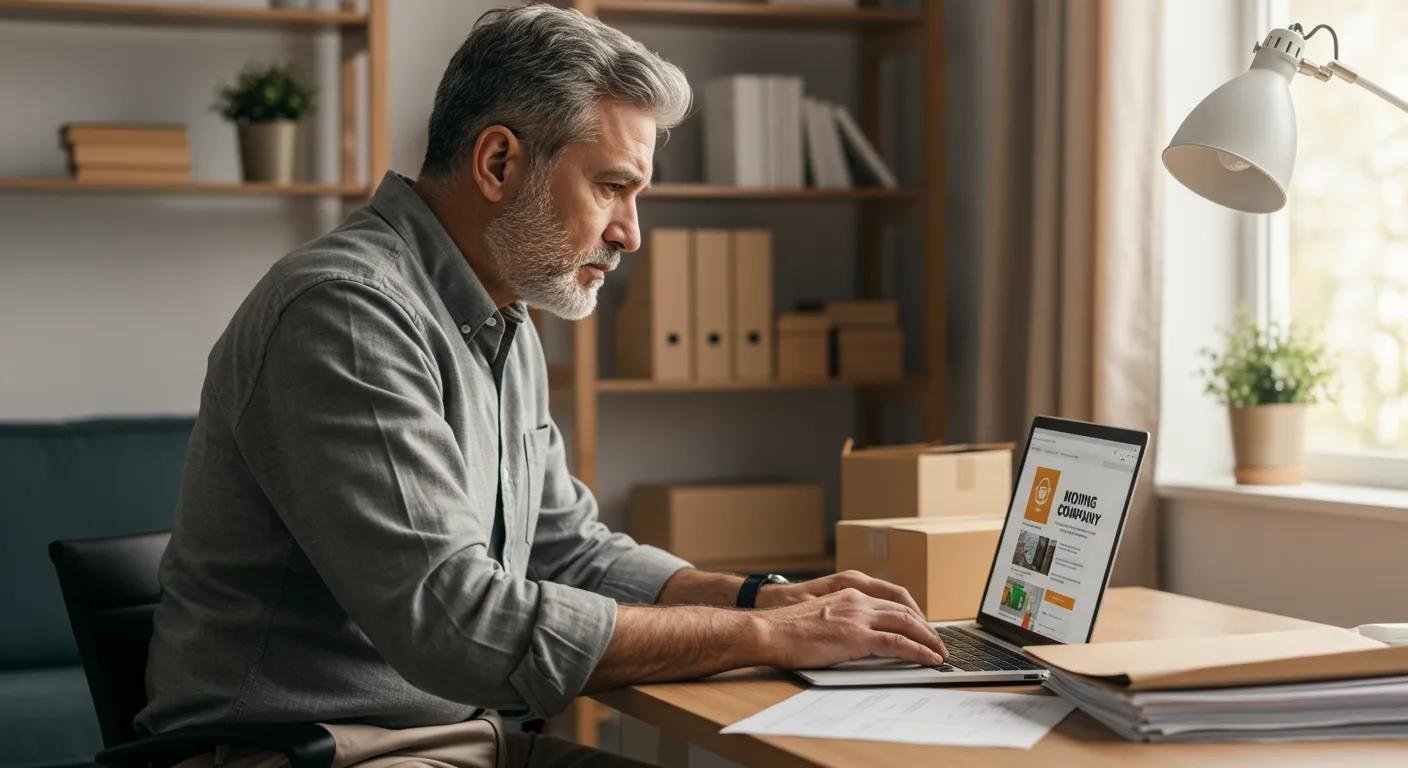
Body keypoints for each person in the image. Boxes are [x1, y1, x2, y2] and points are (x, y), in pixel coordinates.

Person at [138, 5, 947, 766]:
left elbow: (567, 550)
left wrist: (758, 600)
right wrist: (771, 640)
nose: (631, 233)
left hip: (447, 742)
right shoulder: (347, 313)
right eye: (611, 188)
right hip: (303, 752)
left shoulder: (500, 313)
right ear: (499, 162)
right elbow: (456, 623)